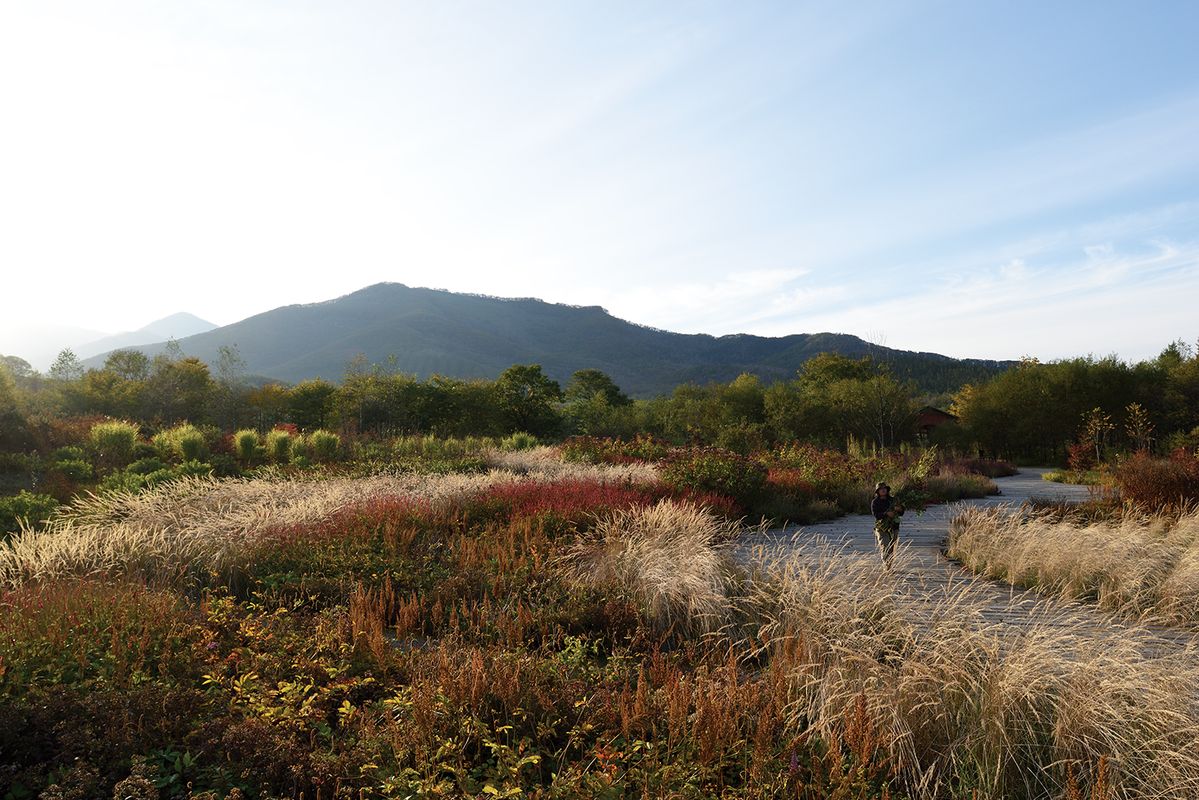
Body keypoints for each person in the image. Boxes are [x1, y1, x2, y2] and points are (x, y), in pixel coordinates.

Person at [871, 482, 903, 568]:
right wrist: (886, 514)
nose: (883, 490)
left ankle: (889, 566)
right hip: (882, 528)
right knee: (885, 546)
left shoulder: (893, 500)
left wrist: (899, 509)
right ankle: (887, 566)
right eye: (881, 489)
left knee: (891, 548)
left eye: (885, 488)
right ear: (878, 491)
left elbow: (901, 512)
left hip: (893, 527)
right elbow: (876, 515)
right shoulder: (875, 502)